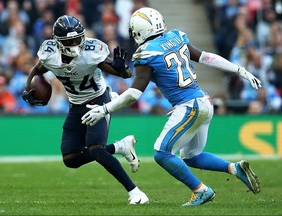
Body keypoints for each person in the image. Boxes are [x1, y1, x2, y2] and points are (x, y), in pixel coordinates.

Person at [81, 7, 261, 206]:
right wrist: (239, 70)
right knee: (191, 156)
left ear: (140, 31)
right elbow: (206, 57)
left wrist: (105, 109)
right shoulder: (176, 37)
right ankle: (235, 169)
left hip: (189, 106)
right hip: (203, 101)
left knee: (162, 153)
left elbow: (134, 94)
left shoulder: (146, 53)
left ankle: (201, 190)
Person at [22, 15, 149, 205]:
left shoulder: (91, 51)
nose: (75, 43)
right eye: (70, 40)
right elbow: (37, 69)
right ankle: (120, 146)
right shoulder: (50, 53)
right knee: (71, 158)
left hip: (98, 100)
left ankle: (136, 193)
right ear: (58, 42)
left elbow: (124, 74)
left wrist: (122, 70)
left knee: (96, 149)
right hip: (75, 105)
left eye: (77, 38)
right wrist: (27, 88)